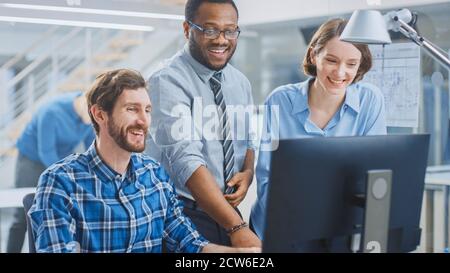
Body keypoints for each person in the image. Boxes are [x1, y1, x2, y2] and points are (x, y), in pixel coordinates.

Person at [28, 69, 260, 253]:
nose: (143, 120)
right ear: (100, 114)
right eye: (132, 109)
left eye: (148, 110)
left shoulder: (155, 176)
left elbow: (191, 245)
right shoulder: (61, 182)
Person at [250, 18, 388, 239]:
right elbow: (268, 179)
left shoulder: (369, 100)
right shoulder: (280, 101)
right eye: (332, 60)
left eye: (351, 64)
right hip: (277, 229)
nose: (341, 73)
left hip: (338, 230)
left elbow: (373, 175)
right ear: (314, 55)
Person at [146, 0, 260, 247]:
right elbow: (186, 160)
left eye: (230, 30)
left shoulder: (240, 82)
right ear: (187, 29)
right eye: (210, 30)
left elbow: (249, 138)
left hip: (227, 212)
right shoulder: (166, 81)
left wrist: (248, 172)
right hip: (181, 216)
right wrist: (237, 227)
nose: (222, 39)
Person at [7, 91, 94, 253]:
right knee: (22, 216)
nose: (93, 121)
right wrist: (64, 177)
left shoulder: (89, 118)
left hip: (57, 160)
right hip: (31, 160)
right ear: (84, 102)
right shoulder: (51, 112)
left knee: (54, 211)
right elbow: (46, 151)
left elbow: (92, 148)